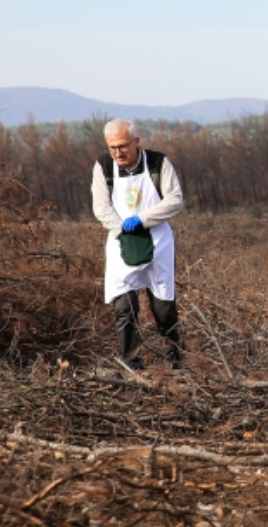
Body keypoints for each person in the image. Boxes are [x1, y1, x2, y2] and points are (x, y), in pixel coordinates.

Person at [91, 119, 185, 370]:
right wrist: (121, 228)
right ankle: (132, 362)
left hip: (158, 241)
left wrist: (142, 220)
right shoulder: (103, 167)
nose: (117, 153)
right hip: (122, 242)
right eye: (112, 147)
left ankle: (175, 361)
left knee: (163, 306)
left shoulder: (158, 163)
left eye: (122, 146)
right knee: (125, 306)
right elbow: (100, 207)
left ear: (136, 141)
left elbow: (175, 200)